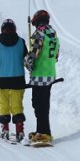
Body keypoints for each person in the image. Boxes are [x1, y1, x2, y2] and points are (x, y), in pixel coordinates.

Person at [0, 18, 28, 142]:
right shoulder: (21, 42)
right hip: (18, 79)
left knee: (3, 104)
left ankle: (5, 129)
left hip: (2, 79)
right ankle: (19, 131)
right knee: (17, 105)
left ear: (2, 30)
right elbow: (27, 60)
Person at [24, 9, 60, 145]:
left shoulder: (39, 34)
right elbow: (56, 56)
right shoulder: (53, 34)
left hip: (39, 76)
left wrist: (26, 62)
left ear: (37, 22)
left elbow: (32, 56)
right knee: (43, 104)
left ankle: (44, 133)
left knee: (38, 104)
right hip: (50, 74)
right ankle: (42, 131)